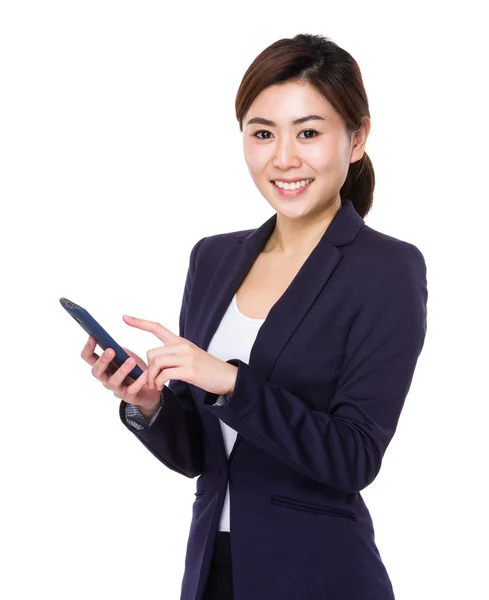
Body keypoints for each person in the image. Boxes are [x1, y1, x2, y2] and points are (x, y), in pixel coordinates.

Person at [81, 33, 428, 600]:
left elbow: (354, 457)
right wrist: (148, 403)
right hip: (212, 570)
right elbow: (202, 456)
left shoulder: (386, 269)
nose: (283, 158)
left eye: (309, 133)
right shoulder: (213, 257)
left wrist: (232, 382)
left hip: (318, 574)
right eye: (262, 133)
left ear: (357, 137)